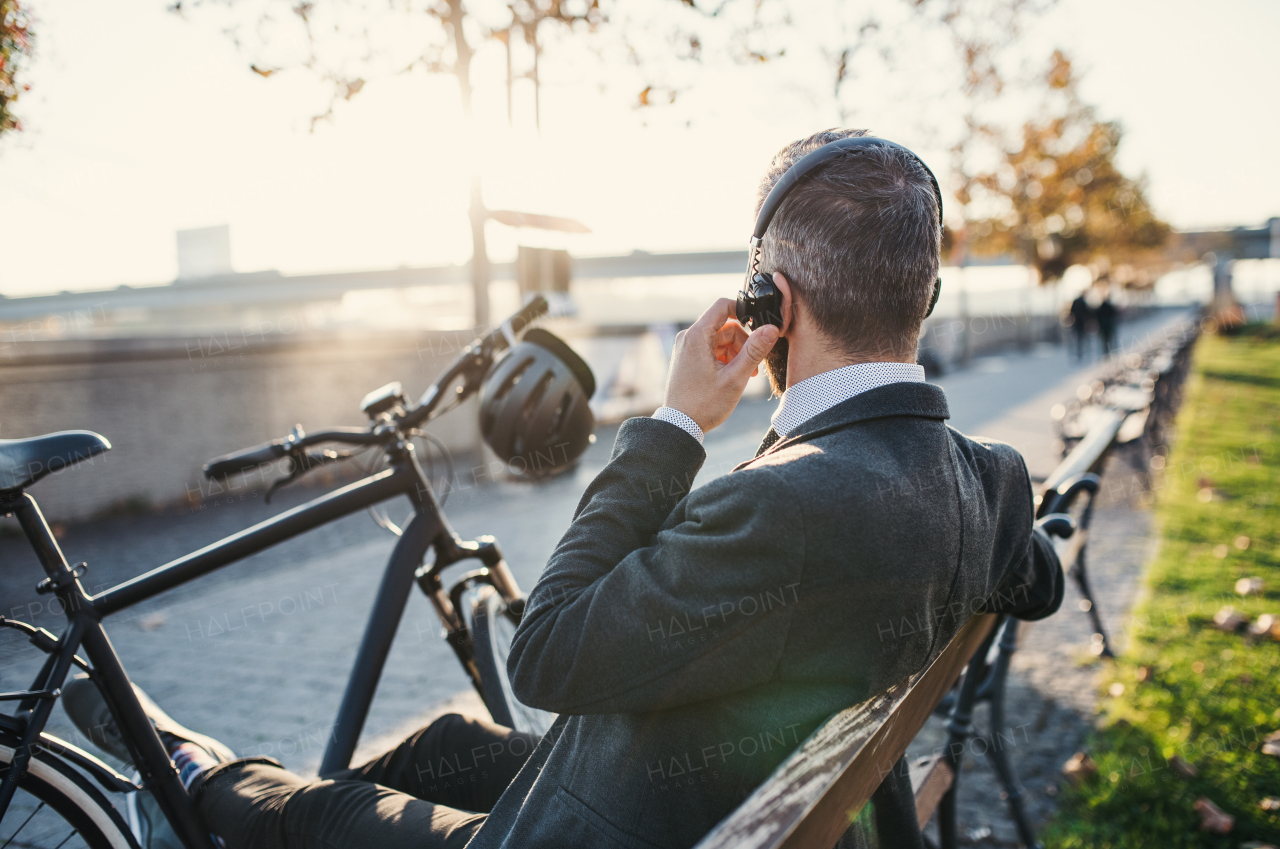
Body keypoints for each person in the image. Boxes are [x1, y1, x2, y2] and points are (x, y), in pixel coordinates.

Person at [67, 129, 1063, 849]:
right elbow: (1037, 579)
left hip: (649, 821)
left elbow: (542, 654)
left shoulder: (775, 505)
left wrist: (674, 426)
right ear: (923, 295)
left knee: (320, 812)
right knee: (443, 742)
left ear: (771, 303)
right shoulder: (988, 482)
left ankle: (195, 780)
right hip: (714, 791)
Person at [1068, 290, 1094, 360]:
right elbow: (1088, 313)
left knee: (1079, 339)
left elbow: (1071, 312)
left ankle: (1080, 353)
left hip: (1077, 323)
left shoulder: (1076, 302)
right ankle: (1084, 353)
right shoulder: (1083, 302)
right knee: (1083, 339)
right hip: (1081, 324)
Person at [1096, 290, 1119, 356]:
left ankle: (1106, 351)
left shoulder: (1100, 307)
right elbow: (1114, 314)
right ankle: (1110, 350)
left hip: (1103, 326)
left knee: (1104, 340)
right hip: (1108, 325)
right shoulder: (1109, 307)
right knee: (1109, 339)